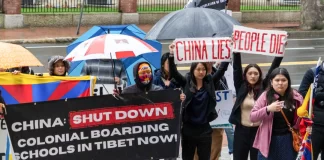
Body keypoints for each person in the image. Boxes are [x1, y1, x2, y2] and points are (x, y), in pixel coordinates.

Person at [168, 44, 229, 160]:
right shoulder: (186, 81)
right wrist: (171, 55)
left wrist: (228, 51)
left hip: (205, 130)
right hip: (188, 130)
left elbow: (221, 70)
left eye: (203, 69)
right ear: (193, 70)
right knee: (188, 157)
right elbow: (174, 73)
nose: (201, 72)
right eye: (198, 69)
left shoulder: (210, 81)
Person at [228, 52, 283, 160]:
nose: (253, 76)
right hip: (241, 131)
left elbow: (273, 68)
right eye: (250, 73)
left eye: (256, 73)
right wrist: (236, 52)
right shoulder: (241, 86)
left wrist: (280, 52)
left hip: (258, 131)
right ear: (245, 75)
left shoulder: (264, 86)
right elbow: (236, 69)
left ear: (260, 75)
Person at [250, 68, 303, 159]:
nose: (280, 83)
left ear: (288, 82)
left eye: (283, 80)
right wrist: (268, 109)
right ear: (271, 82)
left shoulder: (296, 97)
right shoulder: (265, 96)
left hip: (288, 140)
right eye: (277, 80)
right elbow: (253, 117)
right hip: (268, 140)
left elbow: (303, 117)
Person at [298, 60, 324, 160]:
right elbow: (302, 93)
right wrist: (317, 96)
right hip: (314, 126)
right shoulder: (313, 72)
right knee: (310, 156)